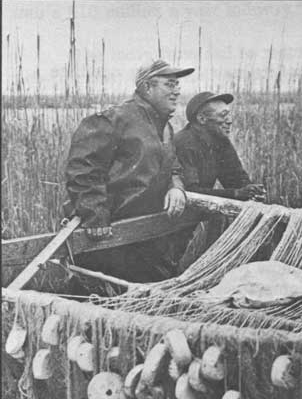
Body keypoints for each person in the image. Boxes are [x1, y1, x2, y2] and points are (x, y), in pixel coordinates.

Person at [64, 59, 194, 284]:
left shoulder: (166, 127)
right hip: (109, 235)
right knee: (99, 300)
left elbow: (173, 166)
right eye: (170, 84)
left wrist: (176, 187)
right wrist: (95, 215)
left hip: (147, 233)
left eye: (178, 85)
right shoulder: (114, 119)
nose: (177, 91)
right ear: (147, 87)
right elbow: (83, 169)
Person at [173, 92, 267, 269]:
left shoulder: (220, 142)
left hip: (196, 208)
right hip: (172, 211)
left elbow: (237, 178)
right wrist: (236, 194)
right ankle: (209, 268)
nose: (230, 120)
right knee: (172, 256)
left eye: (229, 114)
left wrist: (252, 190)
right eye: (223, 115)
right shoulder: (184, 143)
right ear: (202, 119)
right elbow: (191, 192)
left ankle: (219, 266)